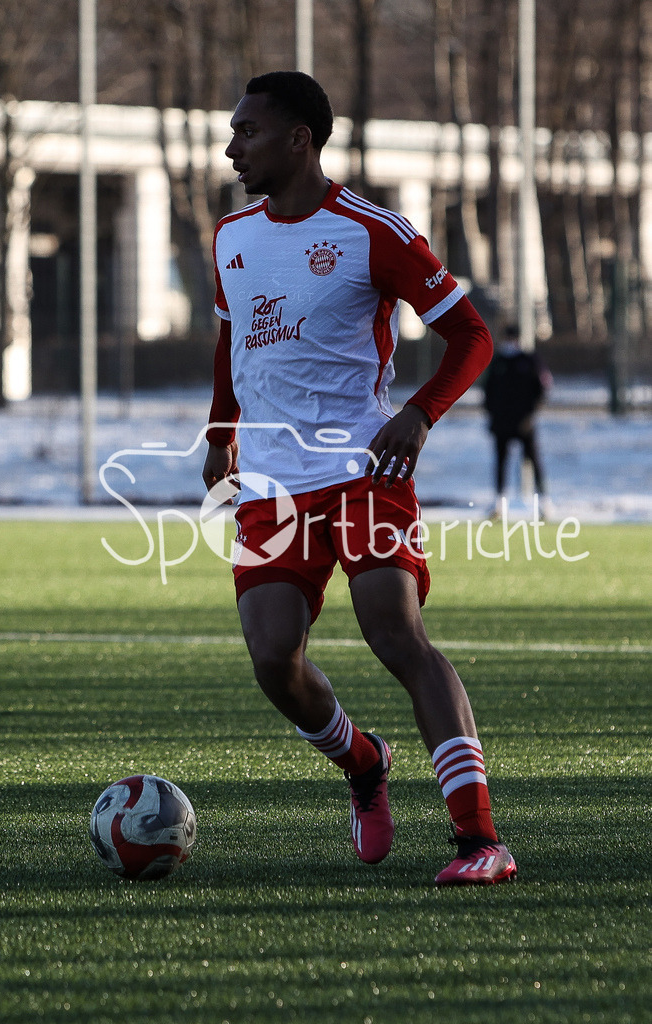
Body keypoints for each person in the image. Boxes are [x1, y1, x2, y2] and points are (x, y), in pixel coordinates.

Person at [202, 71, 516, 886]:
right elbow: (232, 349)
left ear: (299, 139)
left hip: (361, 469)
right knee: (275, 661)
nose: (233, 146)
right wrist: (219, 436)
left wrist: (418, 416)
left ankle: (480, 840)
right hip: (271, 484)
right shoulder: (230, 237)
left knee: (396, 636)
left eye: (247, 132)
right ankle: (364, 762)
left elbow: (472, 337)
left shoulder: (373, 231)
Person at [483, 324, 552, 515]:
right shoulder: (497, 362)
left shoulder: (529, 361)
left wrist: (531, 415)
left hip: (524, 423)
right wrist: (492, 415)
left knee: (533, 460)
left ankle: (544, 503)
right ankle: (498, 503)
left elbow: (542, 389)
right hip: (501, 422)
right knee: (501, 461)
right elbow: (487, 392)